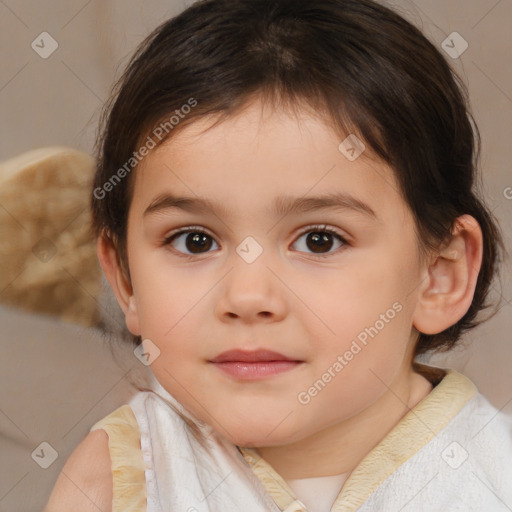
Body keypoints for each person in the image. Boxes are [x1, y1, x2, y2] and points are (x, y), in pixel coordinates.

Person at [45, 0, 512, 510]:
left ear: (438, 276)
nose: (247, 297)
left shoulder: (492, 475)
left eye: (319, 240)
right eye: (194, 240)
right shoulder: (122, 477)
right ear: (127, 280)